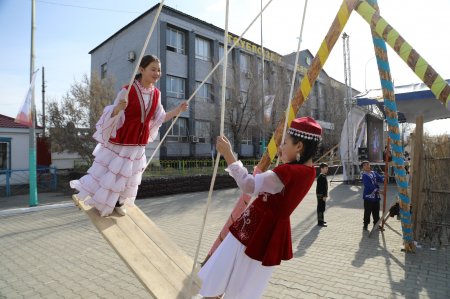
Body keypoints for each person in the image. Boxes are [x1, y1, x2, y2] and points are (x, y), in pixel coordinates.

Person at [198, 117, 322, 299]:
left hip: (254, 230)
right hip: (269, 235)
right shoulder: (309, 172)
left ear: (299, 146)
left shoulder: (287, 172)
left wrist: (228, 154)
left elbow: (249, 185)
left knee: (221, 274)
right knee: (244, 285)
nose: (281, 148)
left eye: (285, 143)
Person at [70, 55, 188, 217]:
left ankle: (118, 203)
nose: (157, 73)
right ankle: (102, 201)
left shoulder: (157, 94)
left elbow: (159, 117)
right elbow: (111, 114)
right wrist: (119, 107)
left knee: (128, 175)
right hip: (122, 141)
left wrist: (178, 111)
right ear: (141, 69)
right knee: (113, 173)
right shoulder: (127, 90)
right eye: (153, 69)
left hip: (138, 144)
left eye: (159, 70)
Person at [360, 160, 384, 230]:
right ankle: (365, 225)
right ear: (362, 168)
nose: (367, 166)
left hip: (376, 197)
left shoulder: (374, 173)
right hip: (368, 196)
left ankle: (376, 224)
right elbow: (369, 185)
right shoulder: (364, 175)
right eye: (365, 165)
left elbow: (380, 178)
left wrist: (385, 177)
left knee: (376, 211)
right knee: (368, 211)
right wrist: (378, 191)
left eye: (368, 164)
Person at [316, 162, 329, 227]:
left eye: (327, 168)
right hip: (321, 195)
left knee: (322, 208)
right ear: (322, 169)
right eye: (326, 168)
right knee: (320, 208)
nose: (327, 169)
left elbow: (325, 187)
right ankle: (320, 222)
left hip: (322, 195)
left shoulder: (323, 176)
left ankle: (322, 220)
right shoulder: (321, 177)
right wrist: (324, 196)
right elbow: (322, 188)